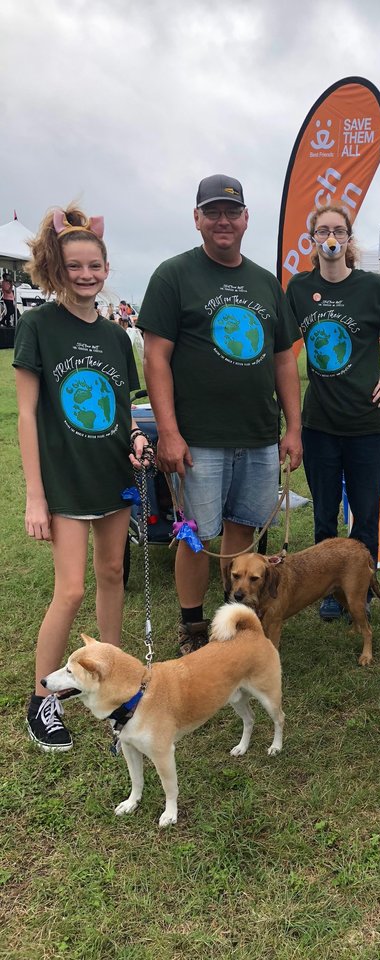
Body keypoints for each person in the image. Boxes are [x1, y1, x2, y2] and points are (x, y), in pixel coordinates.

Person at [138, 174, 302, 655]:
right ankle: (193, 630)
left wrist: (292, 428)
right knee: (194, 536)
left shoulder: (265, 282)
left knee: (242, 528)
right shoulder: (173, 275)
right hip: (198, 437)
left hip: (257, 434)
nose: (223, 221)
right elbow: (156, 357)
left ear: (247, 218)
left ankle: (234, 619)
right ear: (197, 219)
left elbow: (284, 359)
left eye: (232, 212)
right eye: (212, 212)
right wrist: (167, 432)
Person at [13, 205, 152, 751]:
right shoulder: (37, 327)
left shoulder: (119, 337)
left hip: (112, 473)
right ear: (57, 268)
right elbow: (27, 414)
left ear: (106, 267)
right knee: (70, 590)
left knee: (112, 572)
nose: (87, 275)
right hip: (66, 481)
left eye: (95, 265)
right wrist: (34, 496)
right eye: (75, 266)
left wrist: (137, 439)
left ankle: (112, 683)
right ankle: (42, 699)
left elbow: (123, 409)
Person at [286, 202, 380, 620]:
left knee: (366, 514)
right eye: (323, 231)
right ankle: (329, 590)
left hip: (365, 426)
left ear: (349, 239)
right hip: (319, 425)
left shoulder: (371, 288)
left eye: (339, 231)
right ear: (312, 240)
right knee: (325, 515)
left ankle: (359, 591)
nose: (331, 238)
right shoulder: (298, 289)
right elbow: (281, 350)